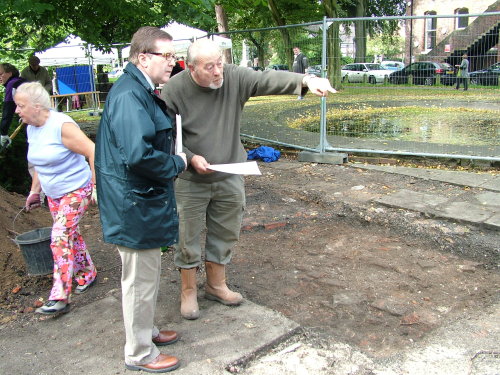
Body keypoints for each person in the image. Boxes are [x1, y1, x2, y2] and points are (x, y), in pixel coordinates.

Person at [160, 39, 335, 321]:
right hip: (190, 179)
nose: (218, 71)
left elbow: (268, 79)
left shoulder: (233, 77)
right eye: (210, 67)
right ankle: (188, 290)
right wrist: (190, 157)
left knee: (226, 230)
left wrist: (306, 79)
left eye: (220, 63)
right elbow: (167, 136)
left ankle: (216, 285)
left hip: (231, 171)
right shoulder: (174, 90)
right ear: (191, 68)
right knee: (186, 235)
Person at [95, 26, 187, 373]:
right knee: (138, 281)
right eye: (166, 55)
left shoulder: (138, 90)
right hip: (134, 205)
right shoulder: (130, 95)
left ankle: (146, 333)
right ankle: (139, 353)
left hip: (137, 202)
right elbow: (139, 154)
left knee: (145, 276)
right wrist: (177, 162)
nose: (172, 61)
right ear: (143, 57)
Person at [14, 82, 97, 315]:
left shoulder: (62, 126)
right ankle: (87, 273)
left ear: (38, 106)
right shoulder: (31, 127)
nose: (17, 111)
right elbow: (41, 163)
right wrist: (34, 192)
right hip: (53, 193)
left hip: (76, 188)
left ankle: (60, 295)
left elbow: (92, 150)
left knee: (60, 236)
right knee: (71, 233)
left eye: (21, 106)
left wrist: (95, 185)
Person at [0, 63, 25, 148]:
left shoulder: (12, 84)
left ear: (10, 73)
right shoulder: (22, 81)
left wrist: (3, 133)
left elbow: (8, 110)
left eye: (1, 74)